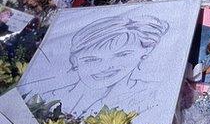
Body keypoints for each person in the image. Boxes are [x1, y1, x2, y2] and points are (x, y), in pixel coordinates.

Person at [39, 15, 168, 117]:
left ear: (145, 52)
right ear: (75, 61)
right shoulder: (47, 99)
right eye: (91, 59)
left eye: (122, 54)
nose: (106, 67)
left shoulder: (154, 94)